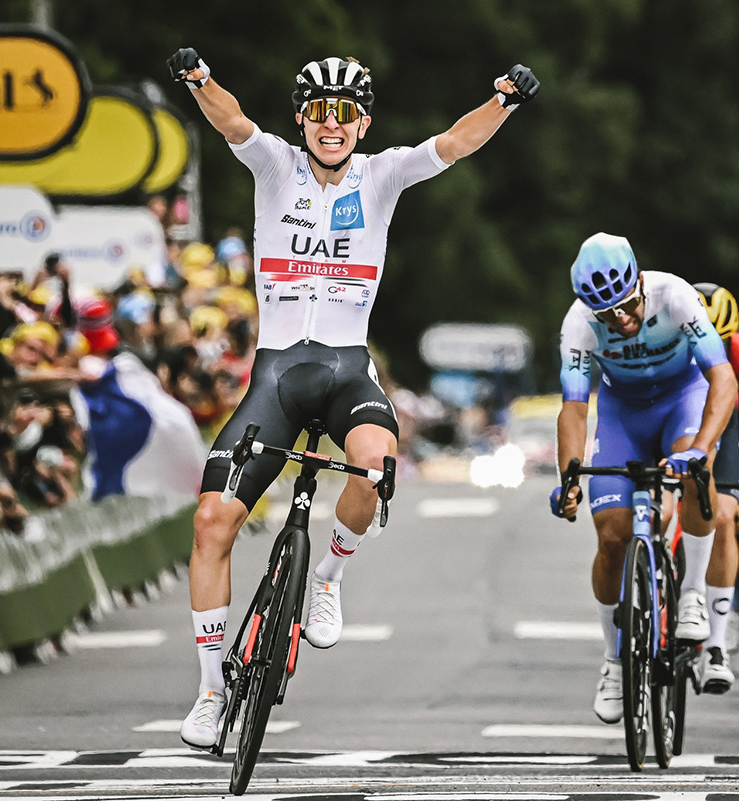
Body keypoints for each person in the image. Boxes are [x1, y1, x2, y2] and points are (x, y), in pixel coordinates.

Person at [167, 46, 540, 749]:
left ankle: (328, 577)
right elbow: (232, 121)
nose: (331, 123)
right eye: (319, 111)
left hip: (346, 373)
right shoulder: (274, 166)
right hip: (276, 379)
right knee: (211, 524)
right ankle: (211, 692)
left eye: (344, 112)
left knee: (375, 466)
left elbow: (455, 144)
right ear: (302, 120)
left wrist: (504, 101)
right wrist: (200, 81)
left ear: (363, 123)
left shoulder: (382, 174)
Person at [551, 233, 736, 724]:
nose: (621, 320)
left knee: (696, 471)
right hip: (623, 416)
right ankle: (614, 661)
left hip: (682, 401)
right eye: (607, 314)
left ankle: (692, 593)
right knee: (611, 536)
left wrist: (701, 447)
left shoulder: (674, 295)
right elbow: (574, 408)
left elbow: (722, 377)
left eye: (627, 306)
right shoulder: (579, 323)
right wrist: (570, 477)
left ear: (639, 282)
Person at [692, 283, 739, 694]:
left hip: (722, 428)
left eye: (718, 342)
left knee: (722, 518)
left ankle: (716, 644)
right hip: (675, 419)